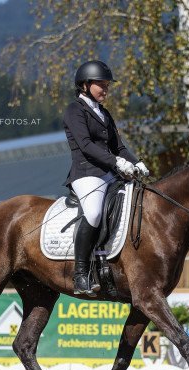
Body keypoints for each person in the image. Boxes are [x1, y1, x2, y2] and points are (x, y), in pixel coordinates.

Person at [63, 60, 150, 296]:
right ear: (84, 85)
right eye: (100, 84)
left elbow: (118, 146)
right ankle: (81, 274)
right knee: (93, 212)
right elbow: (86, 144)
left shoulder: (104, 113)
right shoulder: (75, 110)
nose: (105, 89)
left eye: (107, 85)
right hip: (86, 173)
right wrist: (115, 162)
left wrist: (136, 162)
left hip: (109, 174)